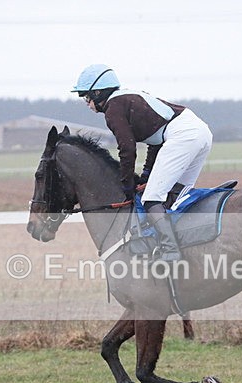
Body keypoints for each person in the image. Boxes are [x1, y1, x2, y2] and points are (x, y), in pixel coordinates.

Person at [72, 64, 213, 262]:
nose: (86, 102)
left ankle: (170, 250)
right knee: (176, 194)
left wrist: (127, 184)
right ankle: (184, 242)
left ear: (97, 93)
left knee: (151, 198)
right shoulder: (126, 98)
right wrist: (146, 175)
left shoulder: (113, 108)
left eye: (86, 97)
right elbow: (154, 141)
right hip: (200, 132)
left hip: (183, 135)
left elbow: (127, 149)